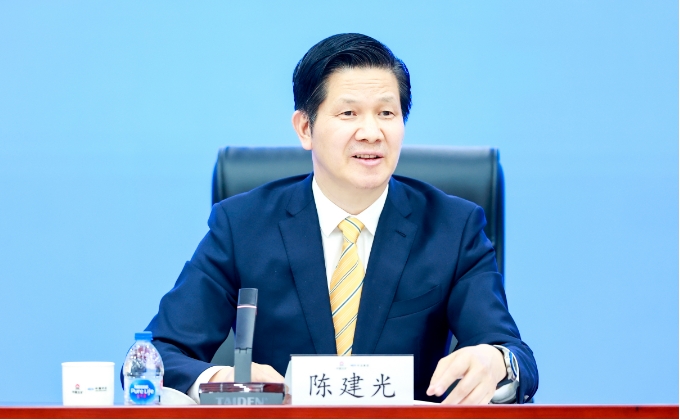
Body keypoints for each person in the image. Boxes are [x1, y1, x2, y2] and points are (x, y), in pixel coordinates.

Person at [142, 33, 538, 404]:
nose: (371, 132)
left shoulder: (454, 228)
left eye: (386, 113)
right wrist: (222, 380)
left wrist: (497, 361)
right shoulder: (242, 225)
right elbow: (160, 354)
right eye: (349, 113)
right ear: (305, 128)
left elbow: (517, 357)